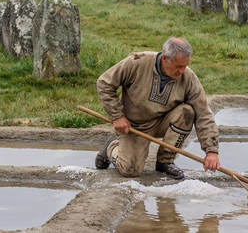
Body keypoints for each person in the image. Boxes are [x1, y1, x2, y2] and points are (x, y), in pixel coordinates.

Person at [94, 37, 219, 179]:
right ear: (165, 58)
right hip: (134, 126)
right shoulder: (137, 62)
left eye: (185, 66)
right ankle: (112, 147)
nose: (183, 71)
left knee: (187, 112)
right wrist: (117, 116)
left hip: (162, 122)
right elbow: (104, 83)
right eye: (178, 66)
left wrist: (211, 151)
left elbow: (204, 114)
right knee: (130, 170)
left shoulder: (188, 77)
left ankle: (165, 161)